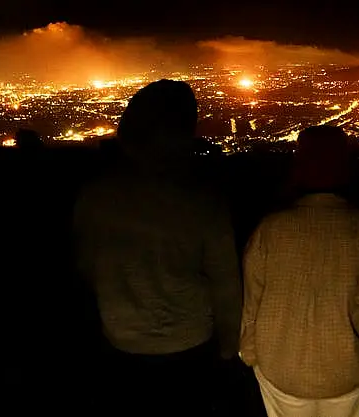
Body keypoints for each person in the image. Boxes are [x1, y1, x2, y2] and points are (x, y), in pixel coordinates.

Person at [73, 80, 242, 411]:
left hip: (121, 339)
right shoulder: (202, 201)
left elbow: (86, 267)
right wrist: (229, 347)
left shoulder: (95, 196)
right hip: (189, 342)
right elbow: (225, 283)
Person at [240, 125, 359, 417]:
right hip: (347, 367)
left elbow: (253, 302)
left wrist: (250, 352)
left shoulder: (270, 230)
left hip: (280, 366)